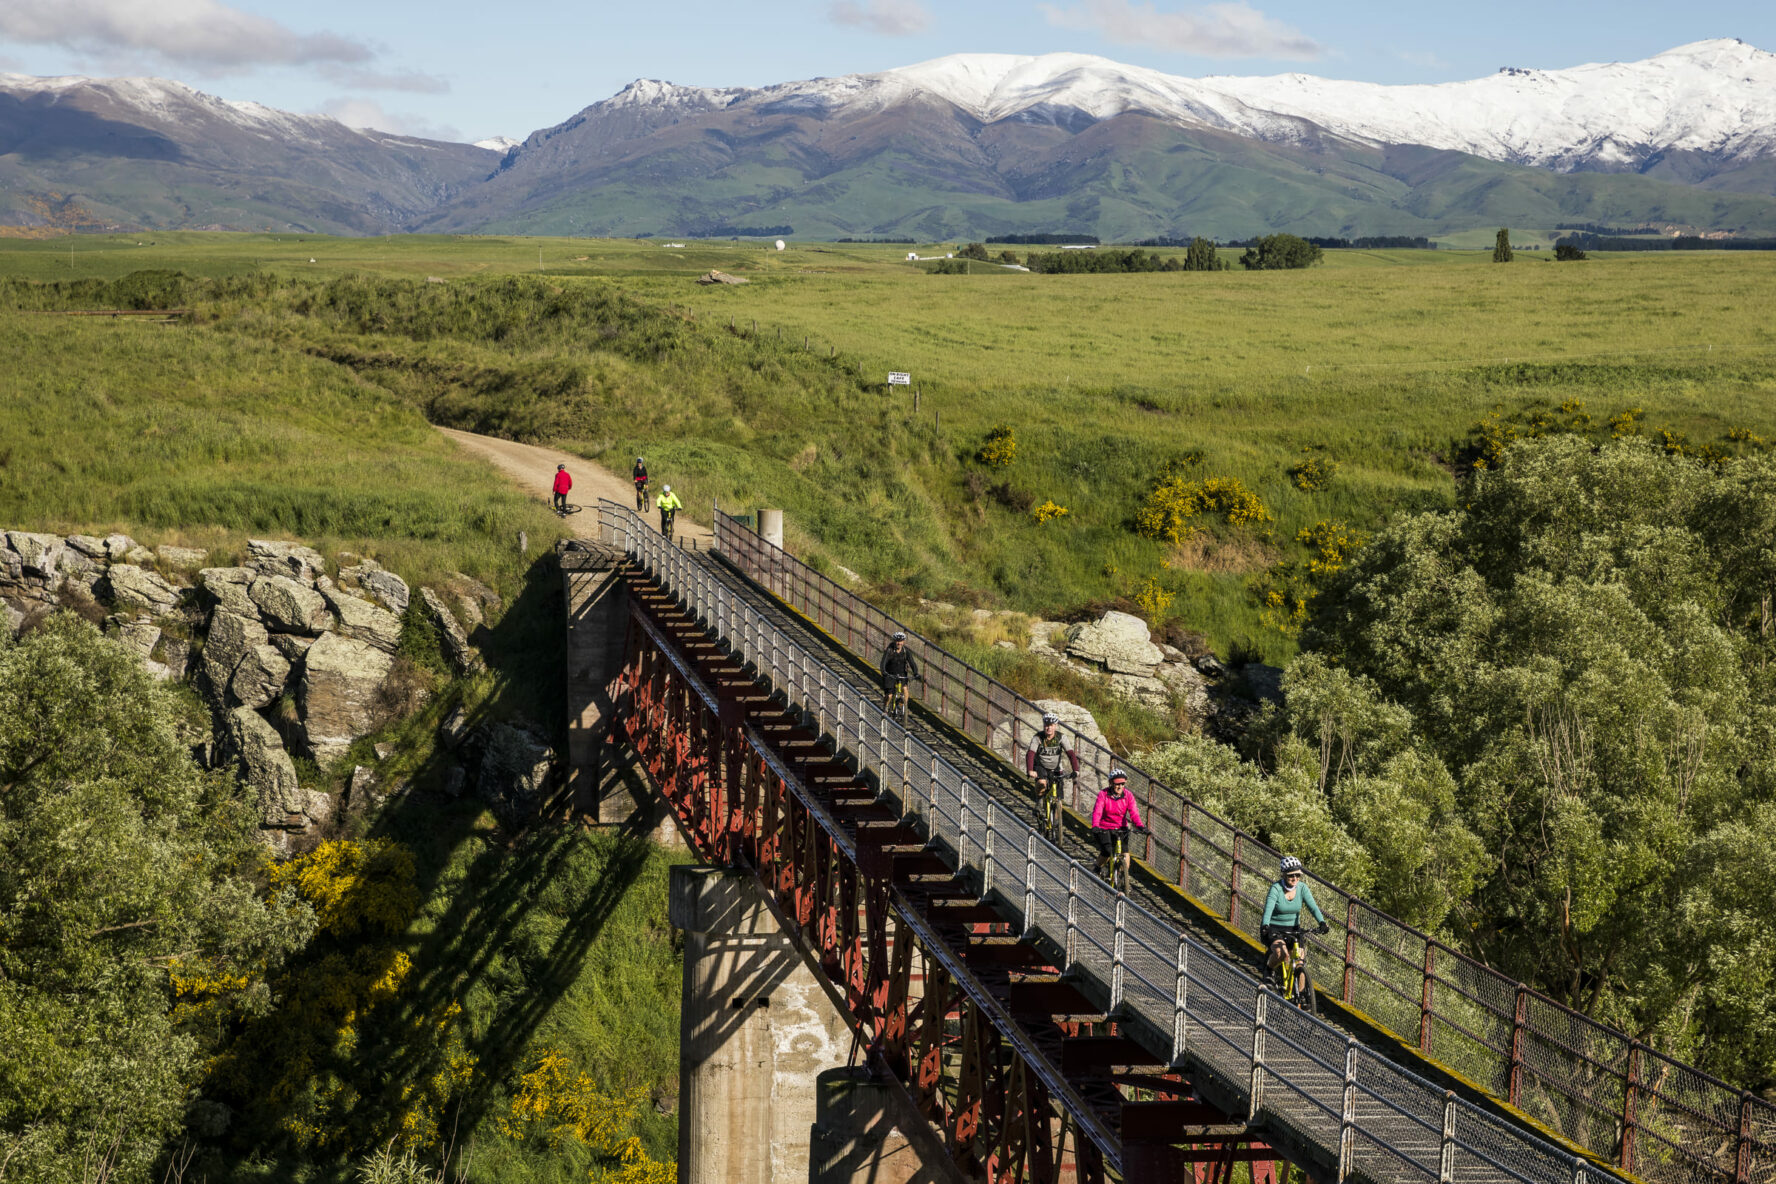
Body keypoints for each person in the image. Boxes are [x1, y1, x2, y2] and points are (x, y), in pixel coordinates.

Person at [1261, 856, 1329, 983]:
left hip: (1294, 929)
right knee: (1282, 954)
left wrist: (1322, 922)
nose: (1295, 878)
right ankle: (1269, 970)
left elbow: (1313, 907)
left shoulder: (1302, 888)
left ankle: (1302, 1000)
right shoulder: (1276, 889)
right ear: (1284, 875)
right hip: (1274, 927)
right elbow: (1268, 909)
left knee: (1300, 963)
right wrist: (1265, 925)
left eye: (1298, 875)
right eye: (1291, 875)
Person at [1089, 769, 1145, 878]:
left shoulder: (1128, 795)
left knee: (1125, 851)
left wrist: (1140, 826)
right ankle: (1097, 867)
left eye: (1122, 784)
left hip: (1121, 827)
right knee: (1107, 850)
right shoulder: (1103, 794)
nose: (1120, 787)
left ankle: (1124, 876)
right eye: (1117, 784)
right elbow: (1098, 811)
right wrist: (1095, 825)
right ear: (1111, 783)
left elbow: (1134, 812)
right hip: (1104, 827)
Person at [1026, 712, 1079, 790]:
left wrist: (1076, 770)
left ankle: (1058, 801)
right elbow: (1030, 754)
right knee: (1041, 784)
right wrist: (1030, 770)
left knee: (1059, 789)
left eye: (1051, 725)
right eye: (1047, 725)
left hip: (1056, 767)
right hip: (1041, 766)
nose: (1049, 728)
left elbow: (1071, 754)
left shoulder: (1061, 737)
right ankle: (1039, 800)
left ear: (1056, 726)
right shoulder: (1037, 737)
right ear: (1044, 726)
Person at [879, 630, 920, 707]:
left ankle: (903, 709)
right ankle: (885, 708)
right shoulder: (889, 651)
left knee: (905, 690)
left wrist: (916, 673)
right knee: (889, 696)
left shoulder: (905, 652)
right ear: (894, 641)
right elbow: (883, 663)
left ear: (903, 642)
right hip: (890, 674)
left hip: (901, 674)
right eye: (897, 641)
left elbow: (912, 663)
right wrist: (883, 671)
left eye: (901, 641)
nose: (899, 643)